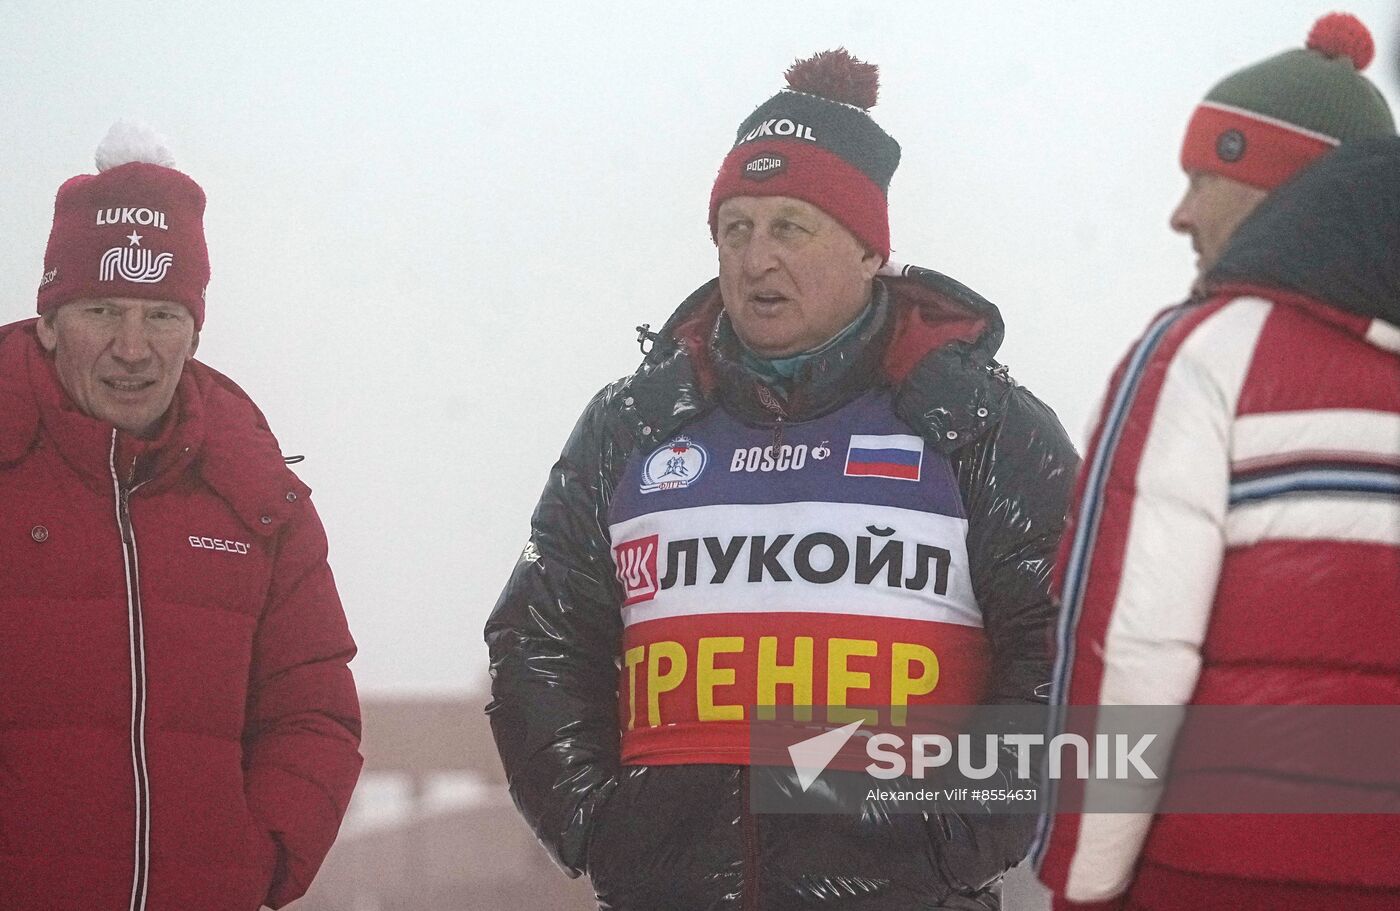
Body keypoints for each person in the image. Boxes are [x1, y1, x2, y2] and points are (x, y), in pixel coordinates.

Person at [486, 49, 1078, 909]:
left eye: (789, 228)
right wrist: (598, 826)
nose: (755, 260)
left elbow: (1066, 657)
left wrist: (948, 841)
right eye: (736, 229)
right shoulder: (633, 426)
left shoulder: (981, 426)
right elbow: (539, 639)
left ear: (869, 249)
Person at [1034, 14, 1399, 910]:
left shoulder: (1201, 356)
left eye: (1208, 175)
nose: (1181, 212)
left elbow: (1127, 649)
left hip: (1215, 879)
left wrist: (1081, 885)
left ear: (1289, 191)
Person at [0, 122, 362, 911]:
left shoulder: (257, 495)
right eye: (102, 308)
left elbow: (313, 705)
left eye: (162, 315)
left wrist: (258, 855)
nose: (133, 348)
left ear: (195, 328)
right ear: (52, 319)